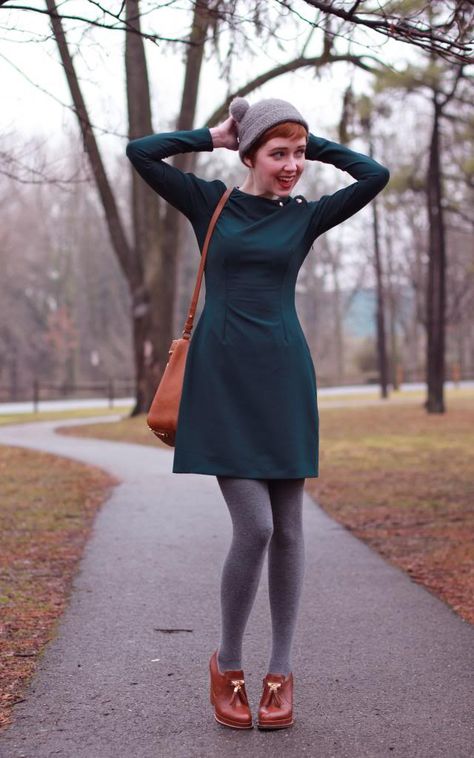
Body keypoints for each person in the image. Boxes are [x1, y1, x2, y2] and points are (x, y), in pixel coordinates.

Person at [126, 96, 390, 731]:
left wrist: (306, 137)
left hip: (283, 380)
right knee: (257, 528)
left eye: (298, 153)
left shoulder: (306, 217)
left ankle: (281, 670)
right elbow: (141, 152)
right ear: (250, 156)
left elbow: (374, 174)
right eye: (279, 153)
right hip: (221, 385)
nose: (293, 164)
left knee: (292, 529)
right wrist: (218, 135)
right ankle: (229, 663)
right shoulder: (209, 202)